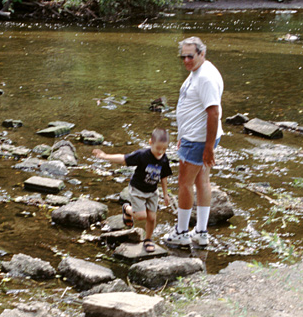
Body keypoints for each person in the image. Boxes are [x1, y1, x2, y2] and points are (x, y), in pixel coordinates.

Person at [163, 36, 223, 248]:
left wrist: (207, 148)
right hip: (194, 137)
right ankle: (201, 232)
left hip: (198, 140)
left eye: (191, 56)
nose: (186, 60)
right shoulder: (198, 72)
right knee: (201, 181)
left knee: (184, 183)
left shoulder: (205, 77)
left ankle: (181, 232)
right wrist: (181, 135)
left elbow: (213, 112)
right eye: (183, 56)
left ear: (202, 53)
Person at [92, 128, 172, 253]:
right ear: (150, 142)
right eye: (158, 148)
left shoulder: (164, 159)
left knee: (151, 217)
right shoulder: (142, 155)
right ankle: (127, 209)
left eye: (164, 149)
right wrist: (105, 156)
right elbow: (123, 159)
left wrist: (166, 194)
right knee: (141, 216)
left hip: (152, 191)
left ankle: (148, 239)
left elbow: (164, 176)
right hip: (137, 189)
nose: (160, 152)